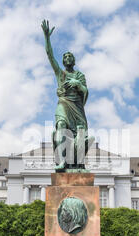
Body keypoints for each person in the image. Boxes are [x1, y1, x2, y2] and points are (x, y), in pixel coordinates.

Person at [41, 20, 93, 171]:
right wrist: (47, 38)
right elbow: (50, 56)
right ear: (63, 61)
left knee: (81, 135)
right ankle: (61, 161)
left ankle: (78, 164)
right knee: (61, 128)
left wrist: (78, 84)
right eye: (66, 57)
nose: (68, 58)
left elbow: (85, 91)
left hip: (76, 107)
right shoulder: (60, 73)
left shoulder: (80, 75)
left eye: (70, 56)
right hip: (63, 104)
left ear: (74, 60)